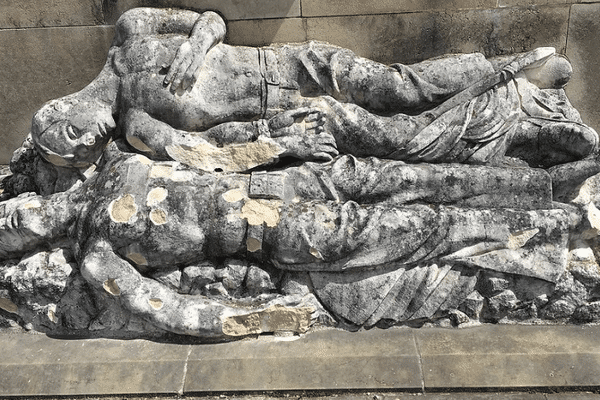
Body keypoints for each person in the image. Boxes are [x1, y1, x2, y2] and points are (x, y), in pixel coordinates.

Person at [0, 142, 570, 336]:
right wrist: (250, 319)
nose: (13, 223)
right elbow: (167, 308)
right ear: (25, 247)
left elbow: (203, 149)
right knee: (420, 228)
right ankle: (549, 228)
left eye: (4, 216)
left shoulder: (114, 163)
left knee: (410, 176)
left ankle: (541, 184)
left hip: (283, 176)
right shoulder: (97, 257)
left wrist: (271, 141)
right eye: (5, 236)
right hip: (277, 233)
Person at [29, 7, 597, 173]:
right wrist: (277, 142)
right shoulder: (137, 128)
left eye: (73, 136)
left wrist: (195, 46)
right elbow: (211, 152)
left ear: (61, 110)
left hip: (288, 60)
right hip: (292, 108)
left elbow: (210, 18)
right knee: (394, 133)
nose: (88, 142)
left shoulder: (132, 31)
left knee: (397, 84)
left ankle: (511, 70)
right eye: (80, 151)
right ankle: (510, 131)